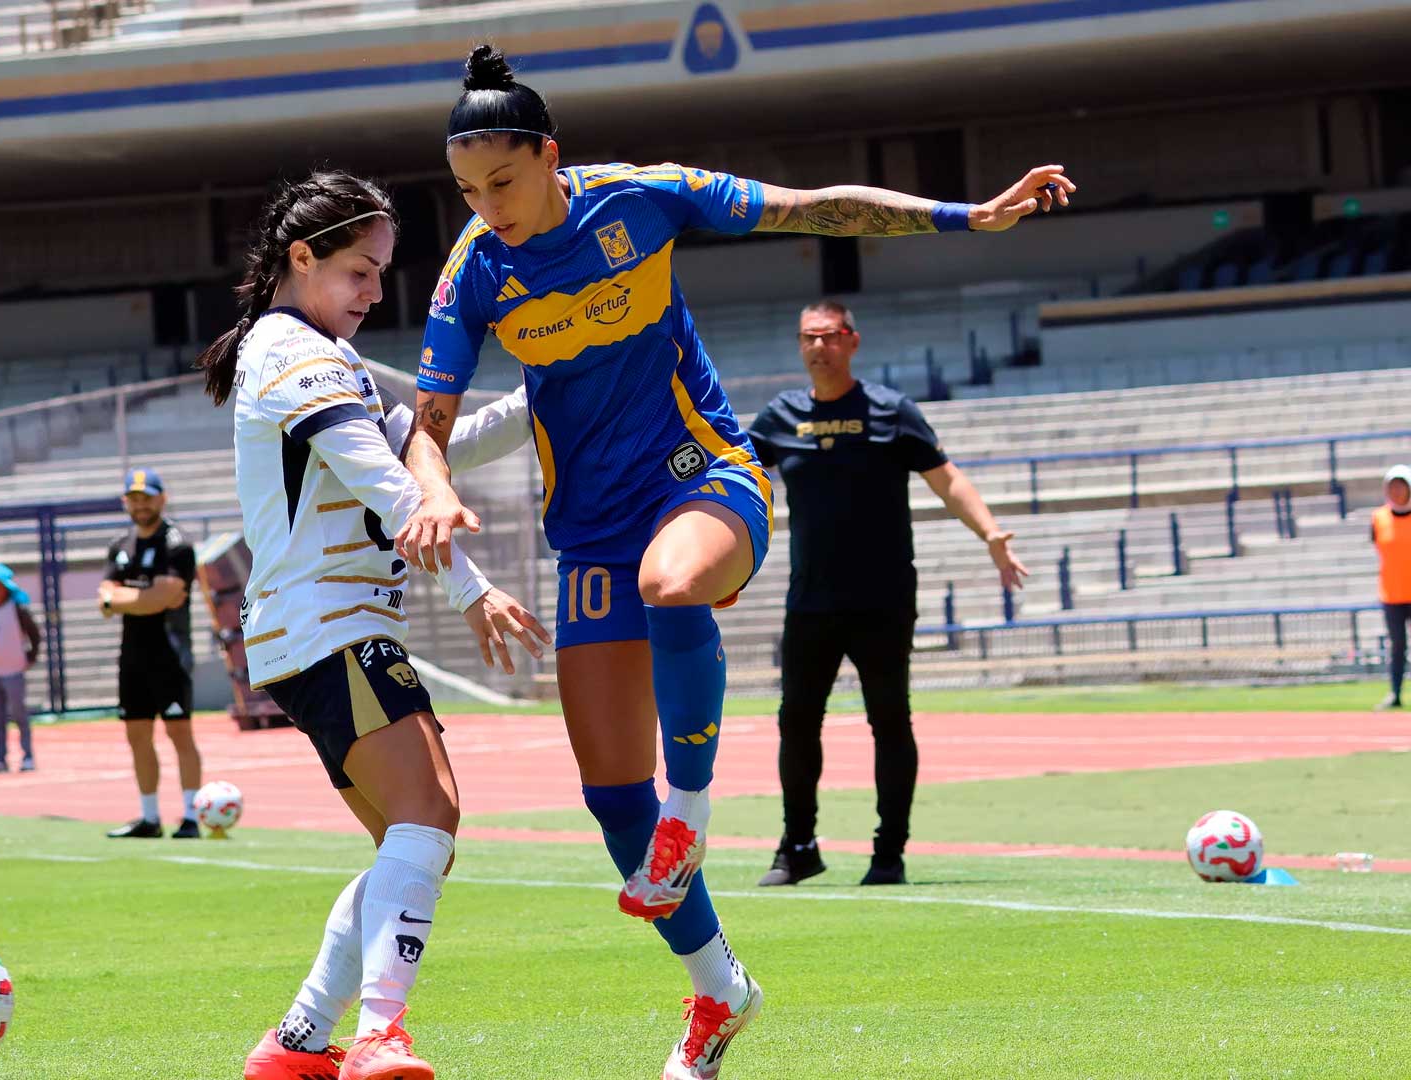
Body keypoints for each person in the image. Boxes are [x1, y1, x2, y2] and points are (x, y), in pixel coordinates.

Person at [400, 45, 1073, 1077]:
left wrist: (964, 216)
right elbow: (429, 424)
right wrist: (435, 484)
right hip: (588, 527)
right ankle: (721, 992)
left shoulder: (644, 198)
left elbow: (813, 206)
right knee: (610, 798)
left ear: (550, 155)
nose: (486, 206)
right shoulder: (473, 270)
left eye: (502, 181)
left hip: (705, 477)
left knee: (670, 590)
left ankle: (696, 812)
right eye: (466, 190)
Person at [201, 170, 547, 1080]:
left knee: (412, 840)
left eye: (384, 271)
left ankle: (300, 1043)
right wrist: (473, 589)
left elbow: (433, 448)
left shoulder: (317, 352)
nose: (375, 291)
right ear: (301, 258)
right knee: (428, 814)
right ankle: (380, 1036)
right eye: (360, 270)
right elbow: (386, 481)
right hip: (330, 623)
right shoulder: (290, 351)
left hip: (318, 629)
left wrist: (547, 391)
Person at [747, 300, 1029, 888]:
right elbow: (735, 472)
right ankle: (798, 846)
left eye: (828, 336)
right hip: (811, 600)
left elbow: (946, 478)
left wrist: (991, 533)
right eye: (807, 338)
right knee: (797, 721)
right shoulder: (779, 418)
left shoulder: (890, 411)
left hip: (883, 597)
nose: (817, 347)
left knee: (889, 722)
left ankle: (889, 853)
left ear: (852, 341)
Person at [99, 469, 203, 838]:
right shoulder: (120, 544)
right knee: (137, 735)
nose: (140, 504)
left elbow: (164, 598)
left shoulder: (176, 544)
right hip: (132, 657)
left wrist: (123, 598)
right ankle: (149, 817)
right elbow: (105, 597)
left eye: (147, 496)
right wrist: (137, 598)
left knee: (180, 734)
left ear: (162, 499)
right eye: (134, 497)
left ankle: (190, 816)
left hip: (170, 655)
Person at [0, 564, 42, 772]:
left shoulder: (18, 609)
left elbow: (34, 634)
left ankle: (27, 756)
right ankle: (0, 759)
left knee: (19, 715)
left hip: (13, 670)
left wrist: (30, 657)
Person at [1372, 464, 1411, 710]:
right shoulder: (1379, 518)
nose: (1397, 492)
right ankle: (1395, 693)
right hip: (1392, 594)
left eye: (1401, 486)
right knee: (1397, 646)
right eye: (1392, 487)